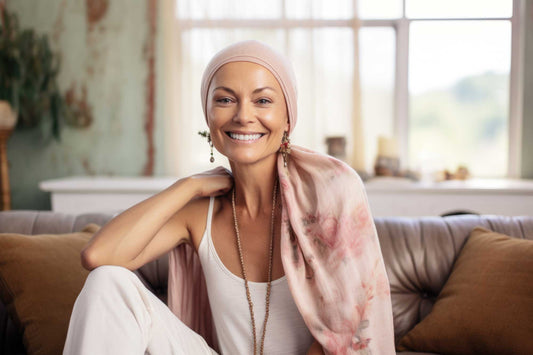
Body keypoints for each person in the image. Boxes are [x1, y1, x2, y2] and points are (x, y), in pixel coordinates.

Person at [63, 40, 395, 355]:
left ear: (288, 118)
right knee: (109, 282)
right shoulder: (199, 212)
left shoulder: (331, 191)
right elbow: (98, 256)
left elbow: (347, 331)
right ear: (208, 117)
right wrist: (188, 186)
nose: (243, 115)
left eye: (262, 100)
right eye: (225, 99)